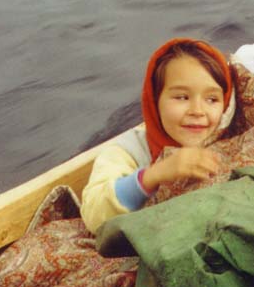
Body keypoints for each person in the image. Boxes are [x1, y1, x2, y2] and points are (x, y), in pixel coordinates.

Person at [81, 38, 235, 233]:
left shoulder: (234, 138)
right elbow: (94, 215)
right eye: (182, 97)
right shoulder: (128, 151)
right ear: (155, 100)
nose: (197, 111)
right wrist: (153, 175)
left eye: (212, 99)